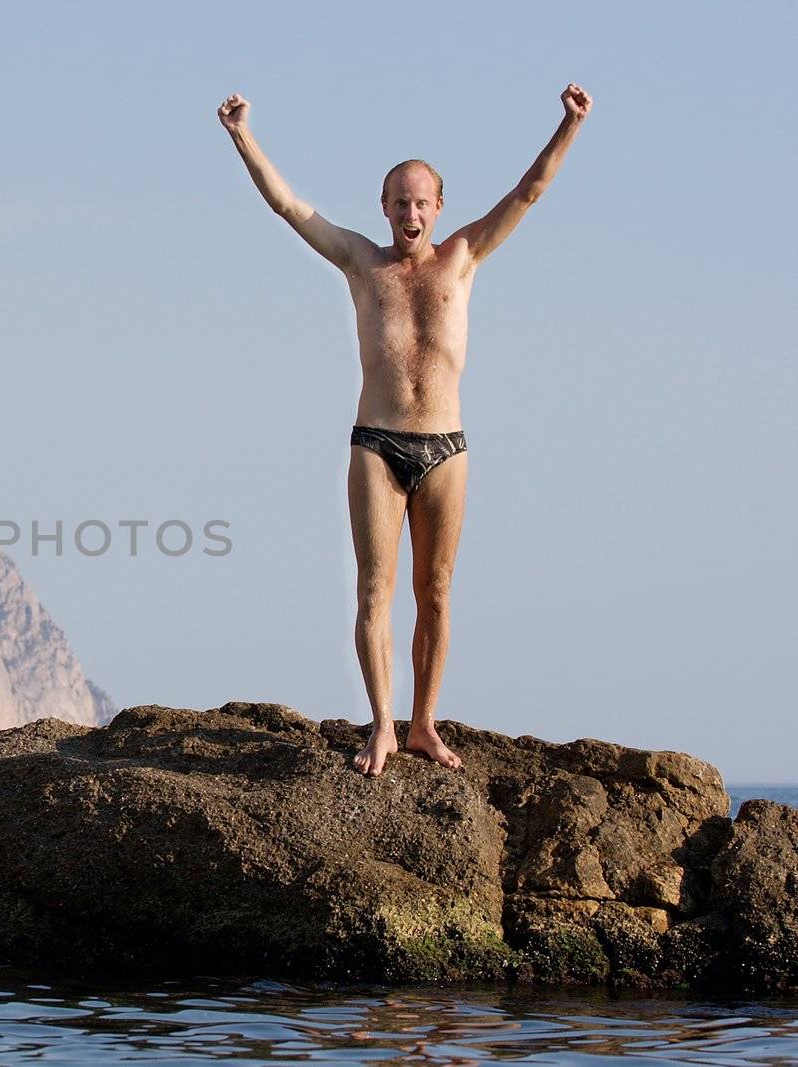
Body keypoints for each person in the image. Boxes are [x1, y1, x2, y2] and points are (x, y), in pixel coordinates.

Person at [218, 83, 593, 777]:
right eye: (399, 202)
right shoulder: (363, 261)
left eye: (422, 202)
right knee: (373, 590)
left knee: (438, 590)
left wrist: (568, 125)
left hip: (446, 447)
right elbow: (288, 206)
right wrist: (243, 135)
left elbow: (530, 191)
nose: (411, 212)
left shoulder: (464, 256)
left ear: (439, 208)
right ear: (384, 208)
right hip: (377, 443)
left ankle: (424, 722)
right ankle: (383, 725)